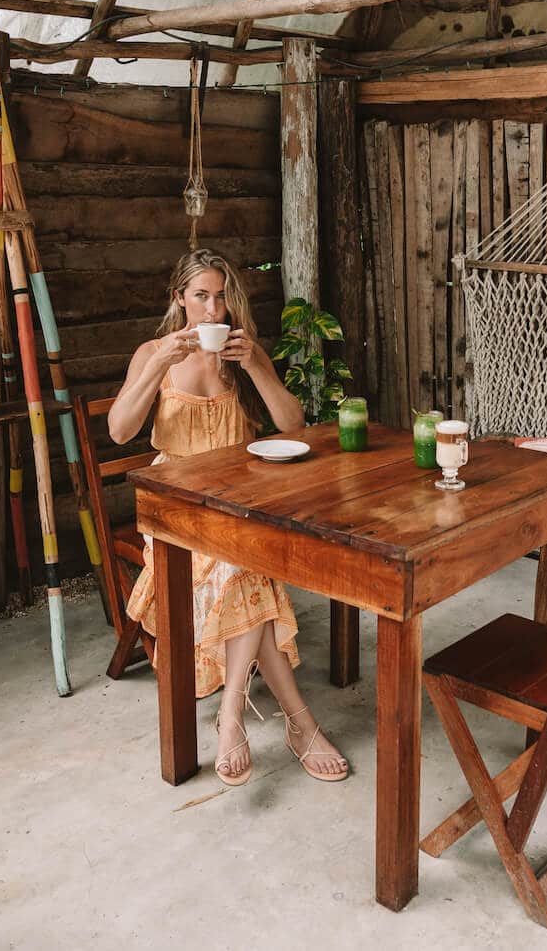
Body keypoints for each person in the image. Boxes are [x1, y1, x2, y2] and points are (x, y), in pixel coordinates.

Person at [108, 249, 348, 787]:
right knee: (246, 570)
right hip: (175, 511)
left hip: (240, 505)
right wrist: (157, 365)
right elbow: (121, 431)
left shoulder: (239, 355)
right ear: (179, 299)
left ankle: (232, 715)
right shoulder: (153, 351)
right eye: (200, 296)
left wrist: (259, 364)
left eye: (220, 296)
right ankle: (295, 723)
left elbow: (293, 427)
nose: (212, 308)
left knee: (241, 564)